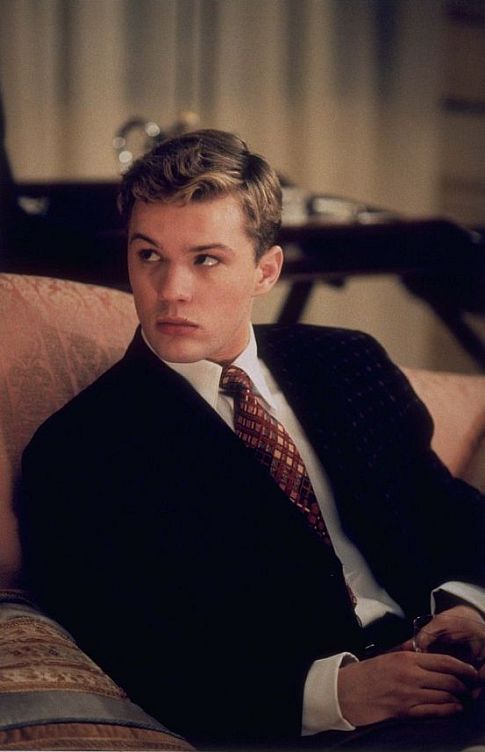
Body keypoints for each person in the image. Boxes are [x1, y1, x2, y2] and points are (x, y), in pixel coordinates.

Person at [19, 130, 484, 750]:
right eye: (149, 255)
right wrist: (334, 695)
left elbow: (448, 514)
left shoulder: (348, 363)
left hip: (454, 671)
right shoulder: (79, 451)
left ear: (266, 270)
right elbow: (137, 653)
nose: (171, 289)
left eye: (205, 259)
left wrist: (466, 608)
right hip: (315, 728)